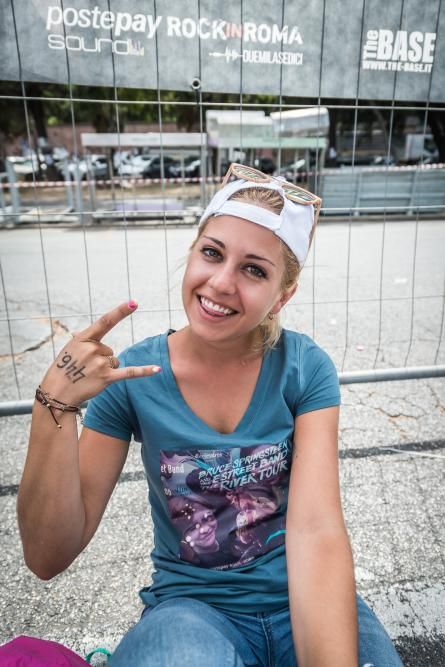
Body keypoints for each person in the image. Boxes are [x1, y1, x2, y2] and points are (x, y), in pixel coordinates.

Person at [17, 164, 404, 666]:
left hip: (303, 599)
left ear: (282, 296)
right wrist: (54, 403)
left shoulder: (304, 368)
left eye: (254, 270)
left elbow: (316, 531)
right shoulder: (133, 375)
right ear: (193, 251)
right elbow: (47, 555)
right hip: (192, 611)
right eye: (212, 253)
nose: (220, 283)